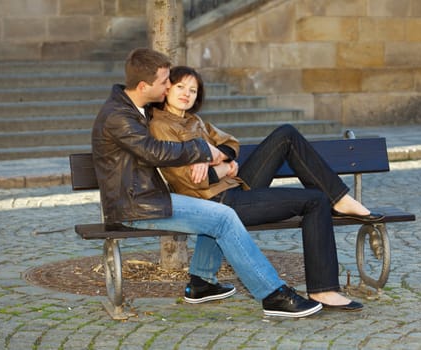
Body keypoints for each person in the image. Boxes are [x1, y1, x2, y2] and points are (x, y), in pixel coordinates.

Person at [91, 48, 323, 318]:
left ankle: (201, 283)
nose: (168, 87)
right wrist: (201, 150)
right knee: (224, 217)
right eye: (165, 82)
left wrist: (211, 156)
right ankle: (272, 294)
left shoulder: (133, 108)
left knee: (213, 214)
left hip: (148, 197)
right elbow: (154, 151)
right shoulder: (119, 116)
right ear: (144, 86)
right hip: (137, 205)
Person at [150, 66, 385, 311]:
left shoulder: (194, 120)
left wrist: (221, 157)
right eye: (180, 87)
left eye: (193, 90)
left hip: (235, 187)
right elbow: (194, 180)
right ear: (167, 89)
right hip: (220, 202)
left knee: (286, 134)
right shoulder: (161, 127)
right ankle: (323, 290)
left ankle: (200, 283)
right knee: (315, 201)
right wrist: (224, 167)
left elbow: (230, 143)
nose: (186, 94)